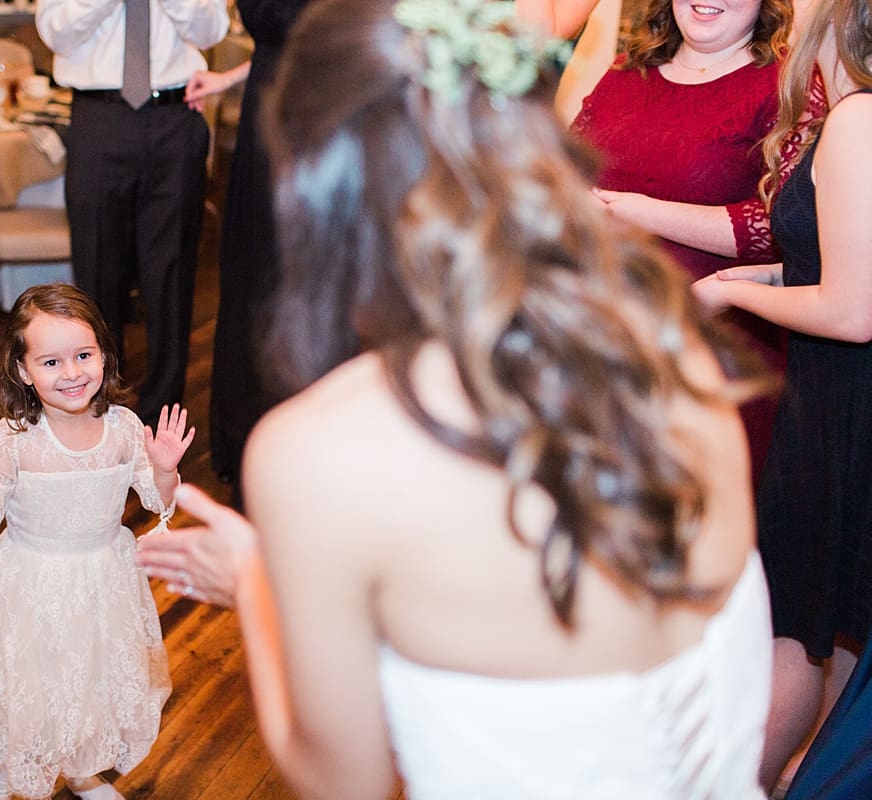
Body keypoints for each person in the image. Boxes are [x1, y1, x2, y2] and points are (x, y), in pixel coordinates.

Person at [144, 1, 777, 797]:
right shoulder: (680, 364)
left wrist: (254, 586)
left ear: (316, 178)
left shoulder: (317, 451)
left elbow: (344, 780)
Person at [0, 283, 194, 800]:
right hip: (31, 589)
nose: (72, 373)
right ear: (23, 370)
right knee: (34, 692)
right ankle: (1, 778)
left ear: (104, 354)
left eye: (84, 355)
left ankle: (83, 771)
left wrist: (166, 469)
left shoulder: (124, 428)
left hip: (104, 582)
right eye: (51, 362)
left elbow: (157, 500)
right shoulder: (12, 441)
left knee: (91, 683)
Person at [691, 0, 872, 789]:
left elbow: (852, 310)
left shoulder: (859, 120)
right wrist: (753, 276)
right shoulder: (851, 118)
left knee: (798, 623)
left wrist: (734, 299)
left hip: (847, 404)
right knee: (836, 626)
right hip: (833, 397)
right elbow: (832, 261)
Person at [570, 0, 816, 484]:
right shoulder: (626, 72)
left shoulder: (787, 84)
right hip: (599, 340)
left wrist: (638, 210)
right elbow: (566, 170)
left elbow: (783, 224)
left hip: (714, 351)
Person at [34, 0, 229, 428]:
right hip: (98, 117)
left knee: (171, 273)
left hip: (177, 116)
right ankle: (100, 409)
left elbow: (212, 29)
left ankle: (163, 416)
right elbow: (54, 32)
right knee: (97, 268)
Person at [181, 0, 313, 492]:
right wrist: (231, 77)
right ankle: (245, 442)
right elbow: (276, 36)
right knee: (251, 273)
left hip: (318, 109)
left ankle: (295, 449)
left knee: (297, 279)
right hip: (266, 96)